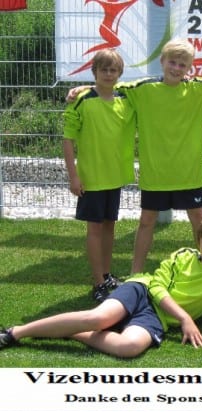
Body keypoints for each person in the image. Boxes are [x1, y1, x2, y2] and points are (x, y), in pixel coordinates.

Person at [67, 39, 202, 274]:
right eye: (172, 62)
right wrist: (84, 88)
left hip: (190, 172)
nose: (176, 68)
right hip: (156, 174)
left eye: (182, 65)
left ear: (190, 67)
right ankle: (135, 273)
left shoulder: (200, 87)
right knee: (146, 222)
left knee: (199, 220)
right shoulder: (142, 89)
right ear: (162, 61)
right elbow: (107, 87)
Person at [0, 216, 202, 358]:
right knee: (99, 318)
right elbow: (156, 286)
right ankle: (15, 332)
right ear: (198, 241)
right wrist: (184, 317)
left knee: (129, 347)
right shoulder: (183, 255)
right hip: (141, 291)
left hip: (157, 318)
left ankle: (69, 330)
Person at [62, 48, 136, 302]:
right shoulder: (82, 100)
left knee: (109, 226)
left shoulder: (125, 100)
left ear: (119, 73)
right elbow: (68, 140)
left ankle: (106, 274)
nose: (108, 74)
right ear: (94, 71)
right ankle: (98, 283)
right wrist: (73, 176)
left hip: (114, 176)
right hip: (91, 178)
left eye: (113, 70)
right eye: (103, 69)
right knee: (94, 229)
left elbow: (146, 90)